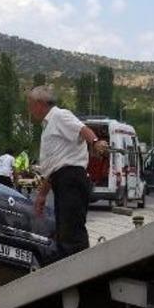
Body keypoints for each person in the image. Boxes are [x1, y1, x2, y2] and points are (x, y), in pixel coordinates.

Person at [27, 86, 108, 257]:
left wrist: (95, 142)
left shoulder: (59, 115)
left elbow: (82, 129)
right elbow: (54, 164)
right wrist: (42, 194)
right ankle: (70, 270)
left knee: (72, 234)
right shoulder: (48, 125)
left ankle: (81, 275)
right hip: (61, 179)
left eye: (30, 105)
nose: (29, 110)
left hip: (71, 178)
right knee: (64, 232)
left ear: (40, 104)